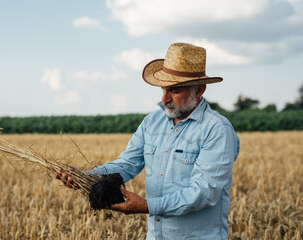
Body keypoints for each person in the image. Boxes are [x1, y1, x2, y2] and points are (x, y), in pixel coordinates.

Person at [57, 43, 240, 240]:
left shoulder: (217, 129)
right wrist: (86, 177)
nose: (164, 98)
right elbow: (127, 163)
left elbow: (205, 192)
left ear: (200, 90)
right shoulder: (152, 121)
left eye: (175, 91)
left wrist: (147, 206)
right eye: (163, 88)